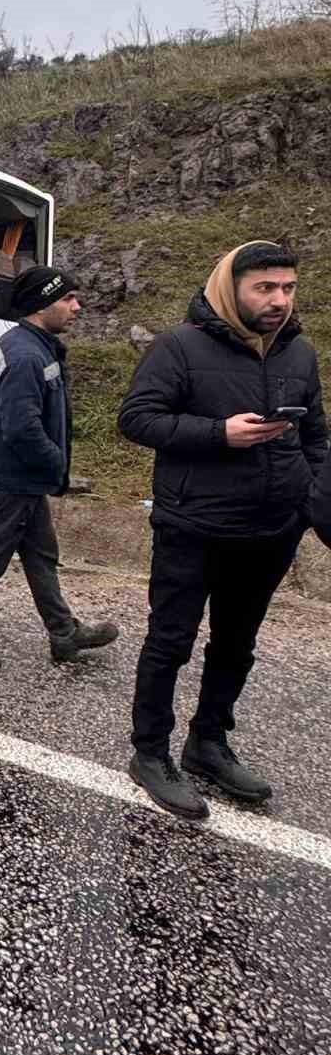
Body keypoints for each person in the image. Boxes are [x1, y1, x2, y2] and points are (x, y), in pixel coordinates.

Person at [119, 241, 326, 820]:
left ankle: (208, 743)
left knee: (236, 645)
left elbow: (315, 437)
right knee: (171, 642)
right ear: (229, 288)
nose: (279, 300)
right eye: (265, 288)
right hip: (193, 524)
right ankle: (150, 754)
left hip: (270, 530)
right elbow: (137, 418)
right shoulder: (178, 346)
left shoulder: (299, 355)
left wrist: (309, 501)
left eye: (287, 288)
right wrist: (219, 434)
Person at [0, 265, 119, 676]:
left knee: (40, 555)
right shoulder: (26, 354)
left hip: (21, 478)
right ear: (40, 304)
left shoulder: (29, 344)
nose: (77, 306)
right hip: (9, 480)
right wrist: (57, 465)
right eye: (67, 299)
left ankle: (64, 633)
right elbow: (21, 427)